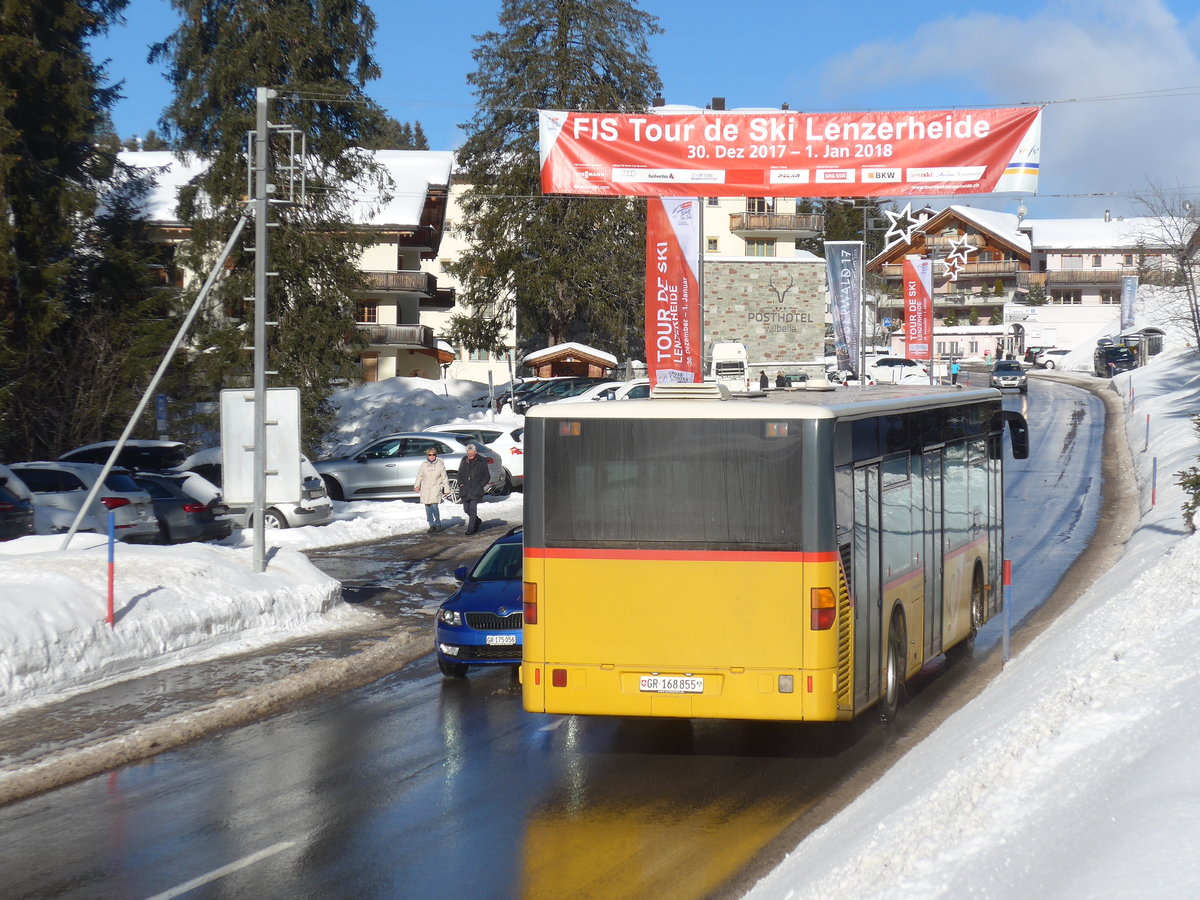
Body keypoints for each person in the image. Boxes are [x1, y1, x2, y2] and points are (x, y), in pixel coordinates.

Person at [413, 445, 450, 533]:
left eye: (433, 454)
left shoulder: (440, 465)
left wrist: (446, 489)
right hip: (425, 489)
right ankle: (431, 524)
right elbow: (419, 476)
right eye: (429, 455)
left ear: (436, 455)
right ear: (427, 455)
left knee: (434, 506)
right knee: (427, 508)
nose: (431, 456)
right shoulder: (423, 465)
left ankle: (438, 524)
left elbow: (444, 477)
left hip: (435, 488)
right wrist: (417, 485)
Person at [458, 442, 491, 535]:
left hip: (476, 489)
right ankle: (477, 520)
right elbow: (460, 474)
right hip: (465, 489)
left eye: (471, 454)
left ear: (475, 452)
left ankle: (470, 529)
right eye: (468, 454)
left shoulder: (481, 460)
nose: (469, 455)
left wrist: (481, 484)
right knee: (466, 509)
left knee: (472, 509)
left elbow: (486, 475)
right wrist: (460, 483)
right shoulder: (464, 460)